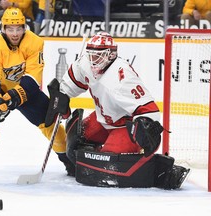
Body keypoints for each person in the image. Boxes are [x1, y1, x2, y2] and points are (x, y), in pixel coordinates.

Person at [46, 31, 190, 189]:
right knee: (77, 138)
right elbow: (72, 82)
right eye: (91, 54)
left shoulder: (122, 77)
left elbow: (149, 110)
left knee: (108, 164)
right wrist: (61, 97)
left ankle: (160, 171)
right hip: (103, 118)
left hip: (123, 126)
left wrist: (146, 128)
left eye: (98, 55)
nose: (93, 59)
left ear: (110, 55)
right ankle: (82, 164)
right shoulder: (85, 63)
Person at [0, 7, 74, 183]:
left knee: (50, 122)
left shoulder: (35, 43)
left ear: (25, 28)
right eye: (10, 29)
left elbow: (34, 74)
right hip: (1, 91)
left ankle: (68, 159)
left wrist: (15, 96)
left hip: (26, 91)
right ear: (3, 29)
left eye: (19, 28)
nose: (15, 33)